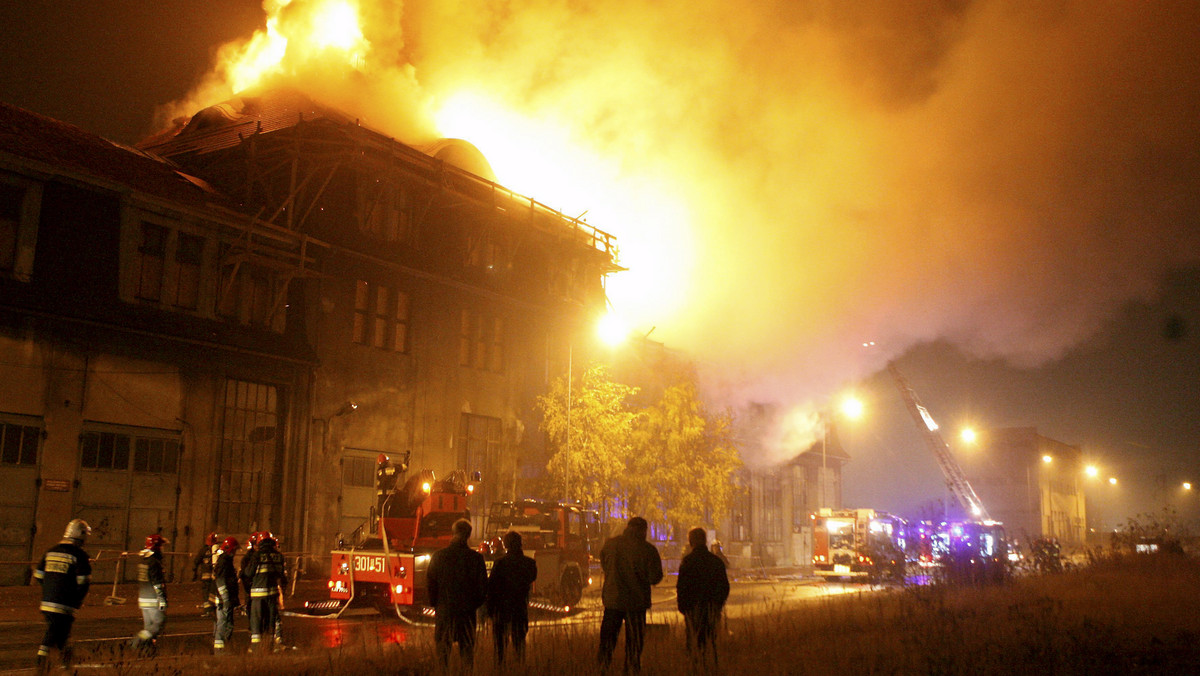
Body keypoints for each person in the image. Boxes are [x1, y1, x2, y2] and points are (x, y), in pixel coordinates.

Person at [597, 516, 663, 674]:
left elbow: (604, 564)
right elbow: (655, 577)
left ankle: (602, 670)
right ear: (643, 530)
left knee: (607, 642)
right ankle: (631, 671)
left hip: (613, 601)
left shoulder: (611, 545)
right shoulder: (648, 550)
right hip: (636, 604)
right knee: (634, 646)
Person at [427, 518, 487, 671]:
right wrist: (473, 605)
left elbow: (431, 585)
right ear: (468, 535)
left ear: (452, 533)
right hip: (466, 614)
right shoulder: (476, 559)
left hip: (444, 612)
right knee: (467, 655)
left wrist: (436, 605)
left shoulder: (438, 557)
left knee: (443, 656)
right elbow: (482, 589)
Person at [34, 519, 92, 673]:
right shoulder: (79, 555)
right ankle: (42, 663)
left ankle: (67, 665)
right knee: (54, 632)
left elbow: (39, 575)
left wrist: (51, 589)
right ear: (81, 535)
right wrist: (76, 601)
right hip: (65, 604)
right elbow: (83, 583)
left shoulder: (50, 551)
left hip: (47, 602)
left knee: (62, 634)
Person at [676, 527, 730, 670]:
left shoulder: (687, 562)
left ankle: (695, 669)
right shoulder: (715, 562)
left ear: (691, 541)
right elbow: (724, 587)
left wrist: (684, 608)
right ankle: (711, 669)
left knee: (693, 643)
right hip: (711, 609)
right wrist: (717, 605)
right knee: (711, 642)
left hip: (693, 610)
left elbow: (681, 587)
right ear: (705, 540)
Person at [486, 530, 538, 665]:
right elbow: (532, 578)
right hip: (520, 609)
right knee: (519, 646)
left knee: (500, 650)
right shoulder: (529, 564)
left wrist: (490, 611)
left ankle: (500, 670)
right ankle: (519, 670)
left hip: (501, 610)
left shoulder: (500, 564)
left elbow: (491, 587)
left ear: (505, 545)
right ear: (520, 544)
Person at [245, 532, 287, 651]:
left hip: (258, 596)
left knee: (256, 623)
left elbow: (249, 573)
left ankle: (255, 649)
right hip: (272, 595)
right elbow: (281, 575)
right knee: (270, 623)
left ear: (260, 542)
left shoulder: (257, 555)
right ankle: (269, 648)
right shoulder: (279, 556)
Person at [129, 533, 170, 656]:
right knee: (158, 624)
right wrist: (162, 598)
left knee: (149, 628)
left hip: (143, 599)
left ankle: (148, 652)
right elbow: (157, 583)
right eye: (161, 546)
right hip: (153, 599)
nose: (162, 549)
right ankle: (137, 640)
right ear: (156, 547)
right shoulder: (154, 562)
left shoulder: (143, 560)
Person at [212, 536, 240, 653]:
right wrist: (226, 598)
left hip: (226, 599)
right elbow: (220, 580)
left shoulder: (225, 560)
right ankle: (219, 651)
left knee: (226, 623)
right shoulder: (224, 561)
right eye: (234, 550)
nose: (235, 552)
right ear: (229, 549)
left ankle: (222, 649)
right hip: (224, 600)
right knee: (223, 623)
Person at [191, 532, 219, 617]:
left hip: (205, 576)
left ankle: (208, 610)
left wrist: (194, 573)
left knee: (206, 593)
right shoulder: (217, 550)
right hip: (214, 576)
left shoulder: (203, 550)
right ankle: (213, 609)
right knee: (213, 592)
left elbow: (196, 562)